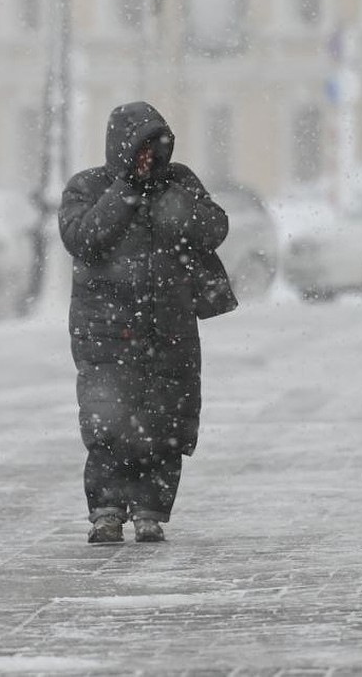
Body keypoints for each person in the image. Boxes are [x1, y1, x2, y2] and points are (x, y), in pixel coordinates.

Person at [58, 101, 234, 544]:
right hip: (106, 332)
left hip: (169, 327)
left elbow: (214, 229)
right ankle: (107, 511)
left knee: (167, 423)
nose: (149, 157)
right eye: (141, 148)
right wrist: (126, 189)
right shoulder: (89, 186)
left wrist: (173, 202)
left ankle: (151, 510)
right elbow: (84, 239)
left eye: (157, 148)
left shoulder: (179, 182)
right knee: (108, 423)